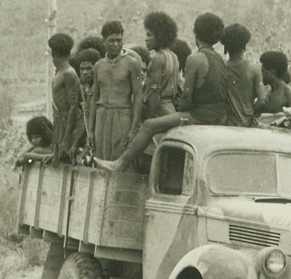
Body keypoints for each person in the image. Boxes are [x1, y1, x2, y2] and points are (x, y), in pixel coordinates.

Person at [102, 13, 230, 172]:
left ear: (196, 33)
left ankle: (119, 163)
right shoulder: (217, 59)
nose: (146, 38)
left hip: (198, 115)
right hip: (218, 114)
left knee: (149, 125)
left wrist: (176, 110)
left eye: (149, 34)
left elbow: (187, 95)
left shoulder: (194, 58)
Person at [88, 20, 142, 160]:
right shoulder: (98, 66)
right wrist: (90, 130)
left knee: (120, 158)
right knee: (100, 158)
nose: (116, 44)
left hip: (122, 116)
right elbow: (94, 99)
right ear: (104, 41)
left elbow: (137, 96)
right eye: (111, 41)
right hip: (101, 116)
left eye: (119, 40)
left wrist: (133, 129)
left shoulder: (132, 64)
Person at [141, 12, 181, 120]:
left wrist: (151, 118)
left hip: (159, 110)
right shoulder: (173, 56)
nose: (146, 39)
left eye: (149, 35)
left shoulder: (157, 58)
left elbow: (155, 92)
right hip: (171, 109)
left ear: (160, 36)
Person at [222, 23, 263, 127]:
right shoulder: (254, 69)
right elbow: (262, 100)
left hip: (225, 125)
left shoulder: (221, 69)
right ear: (244, 46)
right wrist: (251, 113)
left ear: (226, 48)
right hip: (247, 125)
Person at [47, 33, 81, 161]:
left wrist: (67, 138)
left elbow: (73, 107)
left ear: (54, 54)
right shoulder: (60, 73)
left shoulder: (69, 73)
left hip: (67, 126)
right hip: (59, 125)